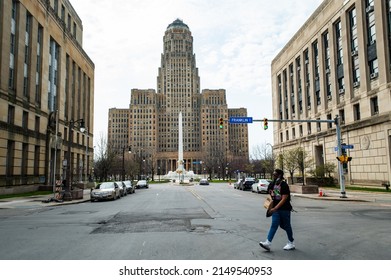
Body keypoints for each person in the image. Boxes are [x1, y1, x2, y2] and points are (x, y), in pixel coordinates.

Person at [259, 169, 295, 251]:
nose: (274, 176)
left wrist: (275, 208)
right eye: (273, 174)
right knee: (274, 224)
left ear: (280, 175)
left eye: (275, 175)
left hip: (284, 209)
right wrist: (270, 205)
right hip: (275, 209)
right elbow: (270, 195)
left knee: (286, 226)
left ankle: (291, 242)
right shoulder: (272, 184)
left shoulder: (284, 185)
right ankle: (268, 243)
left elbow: (284, 198)